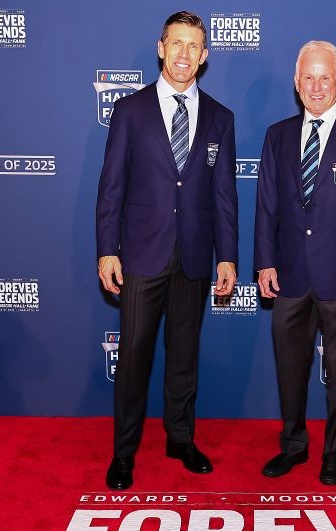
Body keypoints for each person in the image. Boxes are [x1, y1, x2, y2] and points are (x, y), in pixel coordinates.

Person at [96, 11, 239, 490]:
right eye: (176, 43)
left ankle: (180, 439)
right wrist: (107, 249)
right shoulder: (129, 111)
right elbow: (111, 189)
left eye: (193, 46)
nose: (183, 54)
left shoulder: (221, 118)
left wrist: (227, 256)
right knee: (133, 358)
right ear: (161, 48)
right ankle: (123, 454)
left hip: (194, 256)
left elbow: (224, 195)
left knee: (184, 357)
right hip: (141, 255)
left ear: (204, 56)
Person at [254, 40, 336, 485]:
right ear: (296, 83)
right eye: (308, 78)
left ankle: (335, 452)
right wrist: (265, 262)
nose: (316, 86)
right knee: (290, 371)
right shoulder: (276, 136)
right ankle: (293, 446)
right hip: (289, 274)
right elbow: (266, 206)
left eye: (325, 77)